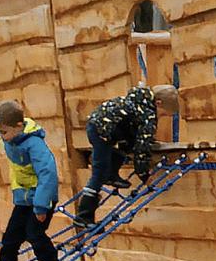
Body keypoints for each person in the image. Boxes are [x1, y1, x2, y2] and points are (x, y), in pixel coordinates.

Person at [0, 101, 62, 261]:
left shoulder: (34, 143)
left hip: (41, 200)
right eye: (0, 132)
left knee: (34, 234)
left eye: (4, 132)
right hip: (23, 199)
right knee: (10, 238)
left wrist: (40, 206)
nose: (2, 137)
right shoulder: (11, 136)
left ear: (19, 126)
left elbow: (48, 173)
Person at [76, 83, 179, 227]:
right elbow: (141, 150)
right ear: (158, 103)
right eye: (163, 114)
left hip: (104, 128)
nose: (161, 118)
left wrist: (147, 140)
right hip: (102, 132)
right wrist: (144, 176)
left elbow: (138, 139)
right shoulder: (147, 114)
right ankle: (83, 216)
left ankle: (111, 174)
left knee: (129, 143)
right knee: (98, 173)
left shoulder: (137, 101)